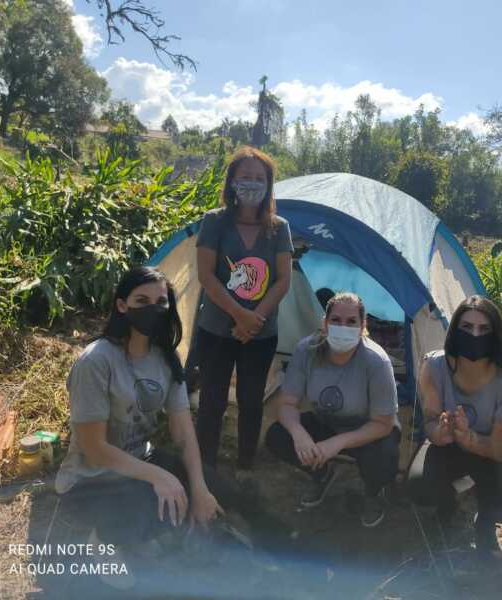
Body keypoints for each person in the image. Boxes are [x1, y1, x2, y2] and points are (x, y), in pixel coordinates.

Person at [55, 267, 225, 589]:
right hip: (90, 480)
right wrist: (161, 477)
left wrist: (199, 487)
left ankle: (160, 533)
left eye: (161, 302)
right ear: (122, 305)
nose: (153, 309)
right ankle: (102, 541)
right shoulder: (96, 361)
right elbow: (94, 450)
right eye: (142, 300)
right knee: (158, 505)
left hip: (138, 460)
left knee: (209, 486)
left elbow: (184, 432)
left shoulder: (166, 358)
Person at [405, 295, 502, 558]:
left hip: (493, 449)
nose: (475, 334)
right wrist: (440, 433)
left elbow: (499, 450)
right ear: (453, 331)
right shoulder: (434, 365)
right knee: (419, 486)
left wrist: (469, 438)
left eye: (484, 329)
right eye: (467, 327)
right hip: (451, 446)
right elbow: (429, 420)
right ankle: (447, 507)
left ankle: (485, 521)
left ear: (496, 335)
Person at [194, 146, 294, 471]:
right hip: (216, 329)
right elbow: (206, 276)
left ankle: (245, 466)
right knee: (212, 399)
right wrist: (241, 315)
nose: (252, 183)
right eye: (245, 177)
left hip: (261, 333)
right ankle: (205, 464)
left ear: (268, 184)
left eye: (259, 178)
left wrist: (255, 319)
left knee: (252, 401)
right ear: (232, 181)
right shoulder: (214, 222)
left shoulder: (279, 227)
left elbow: (282, 281)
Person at [265, 292, 401, 528]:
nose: (343, 327)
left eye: (351, 322)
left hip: (368, 429)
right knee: (278, 436)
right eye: (336, 320)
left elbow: (384, 423)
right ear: (325, 323)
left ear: (363, 326)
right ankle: (321, 474)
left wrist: (337, 443)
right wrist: (299, 434)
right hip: (325, 422)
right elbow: (287, 403)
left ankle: (373, 492)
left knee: (383, 458)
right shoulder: (306, 350)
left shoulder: (377, 361)